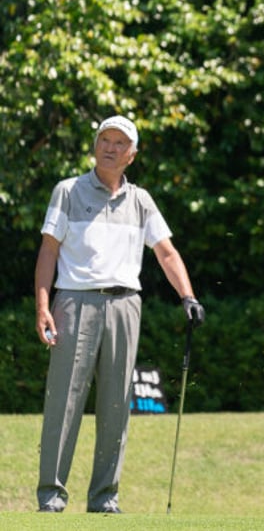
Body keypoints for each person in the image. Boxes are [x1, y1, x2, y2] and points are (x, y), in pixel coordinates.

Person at [34, 115, 205, 514]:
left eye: (120, 143)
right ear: (95, 146)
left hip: (126, 304)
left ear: (133, 154)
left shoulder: (141, 200)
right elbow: (48, 251)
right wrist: (43, 306)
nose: (110, 148)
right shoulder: (68, 191)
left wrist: (188, 296)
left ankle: (105, 498)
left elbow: (165, 252)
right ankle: (51, 496)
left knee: (116, 403)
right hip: (74, 302)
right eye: (104, 140)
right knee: (64, 401)